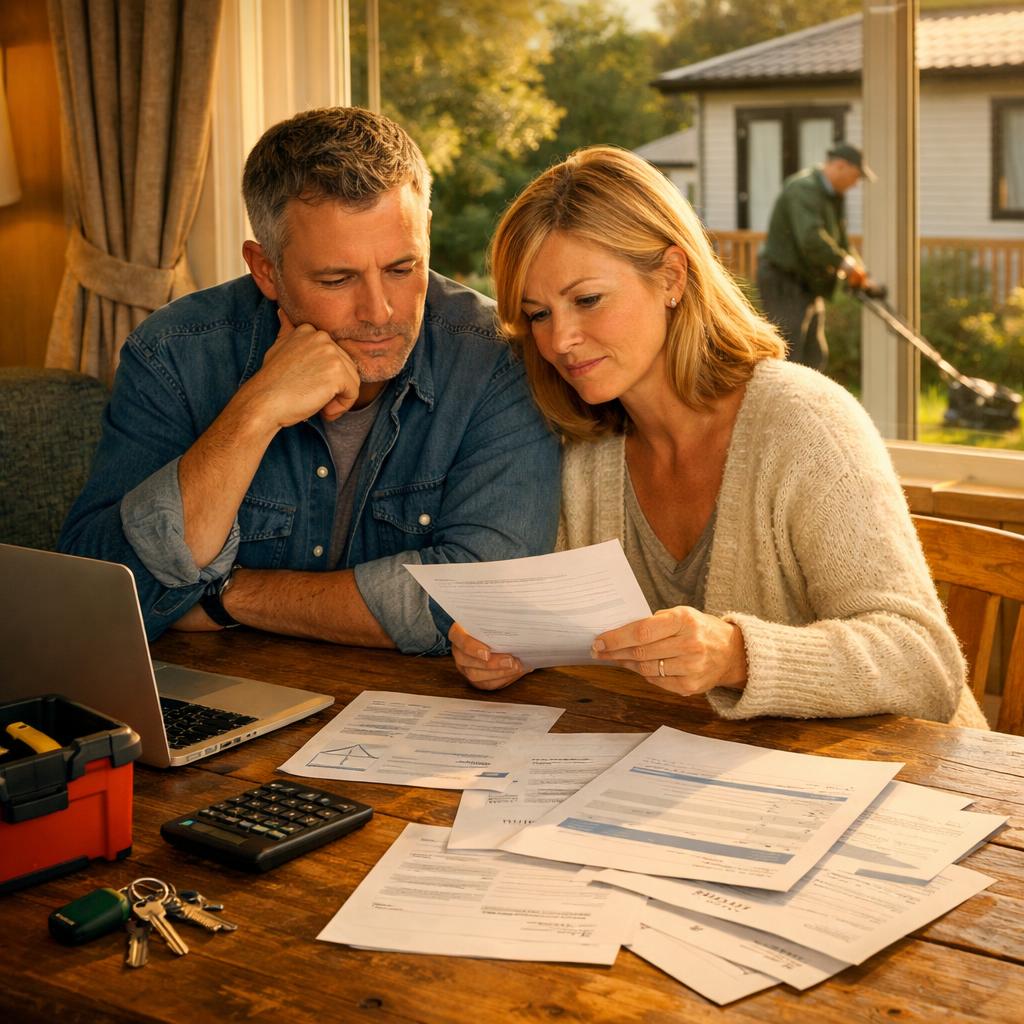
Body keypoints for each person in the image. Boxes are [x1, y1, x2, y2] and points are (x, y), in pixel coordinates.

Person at [449, 145, 987, 729]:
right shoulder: (580, 448)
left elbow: (926, 667)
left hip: (915, 787)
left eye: (587, 300)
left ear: (672, 277)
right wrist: (507, 645)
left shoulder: (806, 424)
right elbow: (570, 629)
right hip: (711, 784)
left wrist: (737, 655)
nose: (560, 341)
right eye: (537, 314)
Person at [59, 107, 560, 655]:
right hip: (222, 699)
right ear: (265, 269)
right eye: (337, 278)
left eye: (402, 267)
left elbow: (489, 597)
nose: (380, 311)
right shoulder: (174, 353)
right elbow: (95, 601)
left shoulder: (495, 357)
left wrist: (229, 597)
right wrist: (255, 412)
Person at [757, 142, 877, 371]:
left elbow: (841, 241)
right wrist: (846, 265)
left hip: (808, 284)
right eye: (855, 177)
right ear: (841, 166)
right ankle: (783, 406)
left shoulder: (831, 197)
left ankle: (808, 405)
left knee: (813, 355)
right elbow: (811, 239)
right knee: (790, 355)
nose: (855, 184)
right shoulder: (803, 189)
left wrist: (861, 273)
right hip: (784, 280)